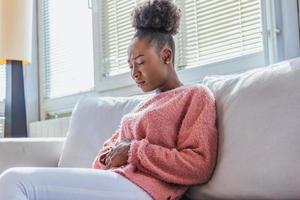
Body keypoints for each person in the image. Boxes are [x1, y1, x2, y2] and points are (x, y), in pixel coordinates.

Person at [0, 0, 218, 199]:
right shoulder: (141, 107)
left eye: (140, 62)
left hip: (147, 190)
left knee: (14, 181)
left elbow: (199, 165)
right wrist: (115, 155)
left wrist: (133, 151)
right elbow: (105, 155)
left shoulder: (195, 96)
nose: (134, 73)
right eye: (130, 65)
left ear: (166, 56)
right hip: (119, 181)